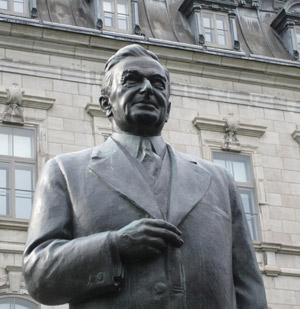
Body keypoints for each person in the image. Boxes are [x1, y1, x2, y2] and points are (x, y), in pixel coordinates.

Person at [23, 44, 267, 308]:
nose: (147, 89)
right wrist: (114, 246)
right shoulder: (65, 171)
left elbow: (249, 288)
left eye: (158, 83)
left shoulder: (219, 180)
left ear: (169, 108)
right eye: (132, 80)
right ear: (106, 103)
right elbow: (38, 273)